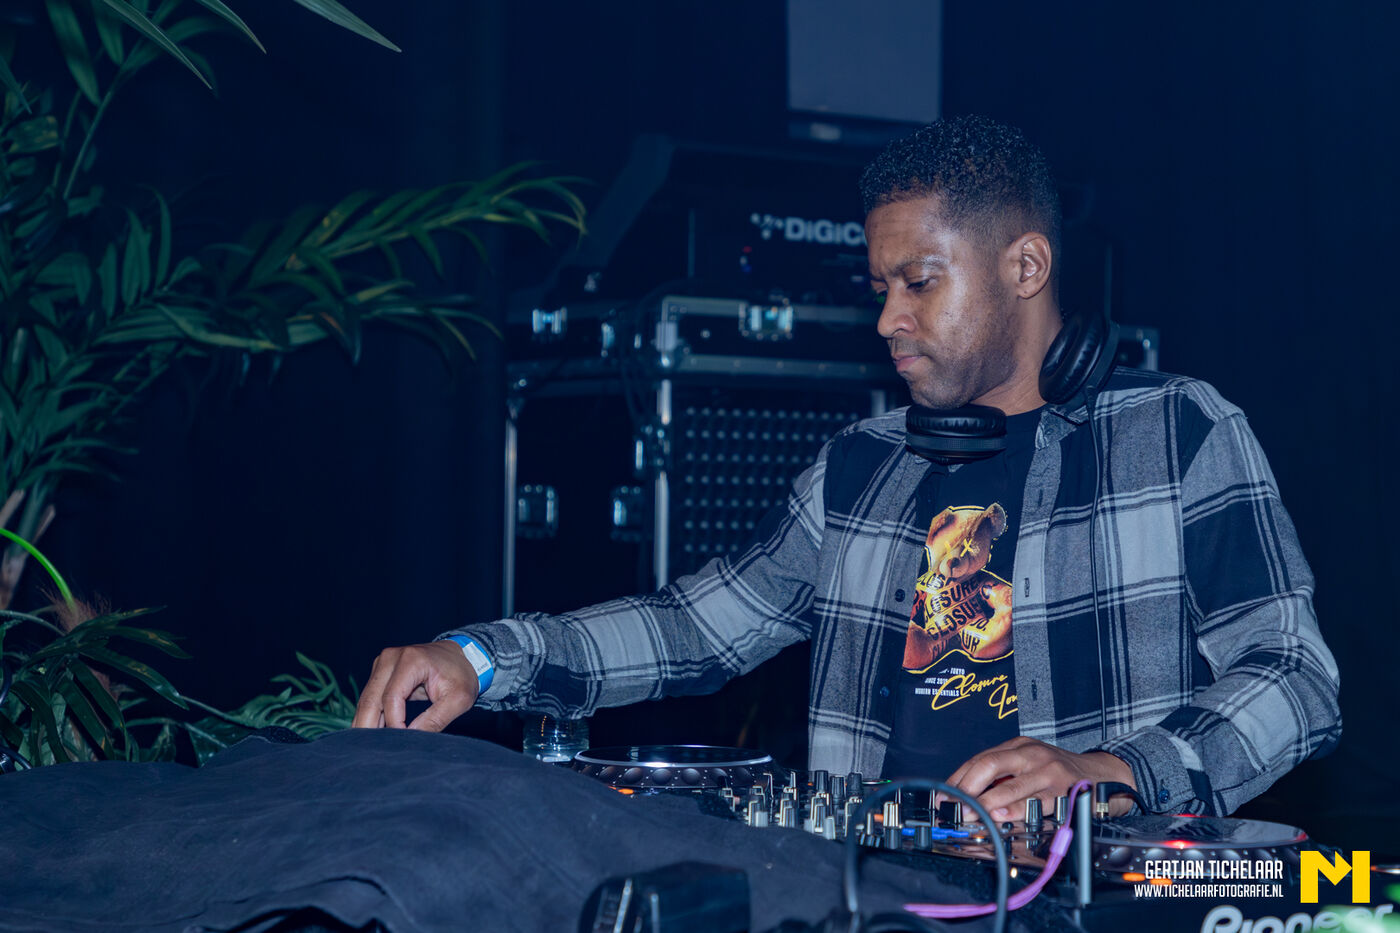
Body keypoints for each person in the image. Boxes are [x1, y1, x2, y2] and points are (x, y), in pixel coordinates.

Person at [354, 115, 1340, 821]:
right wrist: (482, 659)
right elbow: (694, 626)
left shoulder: (1173, 432)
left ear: (1025, 268)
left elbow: (1296, 678)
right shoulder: (862, 465)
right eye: (879, 288)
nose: (886, 319)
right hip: (872, 891)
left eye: (919, 283)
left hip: (1075, 893)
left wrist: (1111, 770)